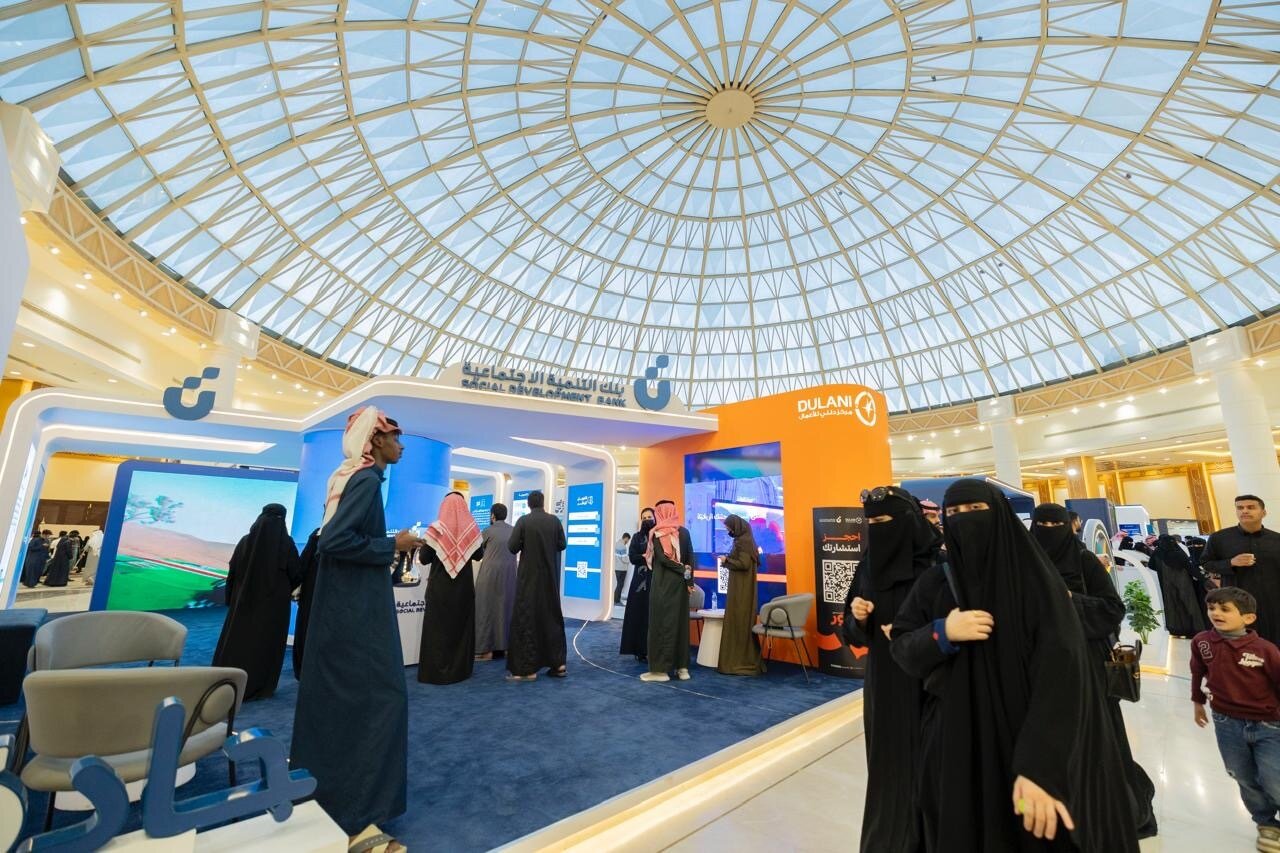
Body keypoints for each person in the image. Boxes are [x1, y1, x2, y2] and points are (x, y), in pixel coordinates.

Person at [890, 479, 1139, 852]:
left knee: (1032, 832)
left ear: (999, 515)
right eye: (954, 512)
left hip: (1026, 740)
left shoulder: (1038, 584)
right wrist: (942, 633)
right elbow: (903, 647)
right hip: (957, 741)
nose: (964, 519)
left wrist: (1040, 767)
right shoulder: (936, 583)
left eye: (975, 510)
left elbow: (1062, 676)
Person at [290, 407, 420, 852]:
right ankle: (358, 821)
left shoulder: (348, 477)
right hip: (357, 611)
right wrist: (393, 544)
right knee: (378, 702)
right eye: (396, 437)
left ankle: (326, 798)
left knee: (343, 704)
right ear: (376, 441)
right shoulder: (365, 480)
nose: (401, 446)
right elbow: (335, 541)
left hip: (341, 606)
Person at [1031, 503, 1157, 839]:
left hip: (1086, 663)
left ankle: (1105, 806)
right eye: (1041, 525)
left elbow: (1113, 609)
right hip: (1040, 664)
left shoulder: (1084, 560)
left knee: (1096, 734)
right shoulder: (1025, 562)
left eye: (1055, 525)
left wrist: (1069, 598)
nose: (1048, 531)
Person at [845, 486, 941, 851]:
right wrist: (858, 619)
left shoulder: (936, 565)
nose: (877, 529)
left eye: (883, 521)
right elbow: (852, 632)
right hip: (883, 682)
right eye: (870, 523)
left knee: (929, 768)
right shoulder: (869, 565)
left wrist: (915, 638)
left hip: (928, 684)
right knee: (887, 769)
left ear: (906, 522)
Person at [1192, 587, 1280, 853]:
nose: (1215, 613)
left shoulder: (1265, 650)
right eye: (1212, 608)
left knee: (1273, 777)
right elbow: (1198, 671)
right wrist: (1198, 702)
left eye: (1225, 609)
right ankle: (1266, 823)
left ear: (1248, 618)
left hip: (1268, 724)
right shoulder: (1202, 642)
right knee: (1241, 774)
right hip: (1226, 723)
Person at [212, 503, 302, 701]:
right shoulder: (286, 544)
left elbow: (233, 571)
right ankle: (259, 685)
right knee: (266, 644)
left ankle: (226, 682)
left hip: (243, 602)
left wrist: (231, 598)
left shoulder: (245, 541)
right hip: (273, 608)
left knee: (237, 640)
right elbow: (296, 573)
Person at [418, 492, 484, 685]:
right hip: (463, 590)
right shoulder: (471, 529)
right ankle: (459, 671)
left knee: (437, 630)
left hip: (440, 589)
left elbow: (424, 558)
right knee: (460, 629)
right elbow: (479, 555)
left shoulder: (436, 529)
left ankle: (436, 673)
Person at [506, 490, 568, 681]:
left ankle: (527, 669)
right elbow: (562, 544)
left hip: (529, 580)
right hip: (549, 579)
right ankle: (559, 664)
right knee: (551, 617)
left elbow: (512, 547)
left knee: (527, 619)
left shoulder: (523, 521)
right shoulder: (554, 521)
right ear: (543, 502)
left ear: (528, 504)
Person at [1202, 496, 1280, 644]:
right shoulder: (1219, 538)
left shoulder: (1276, 540)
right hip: (1235, 601)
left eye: (1251, 507)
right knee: (1239, 643)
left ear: (1263, 513)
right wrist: (1230, 562)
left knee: (1273, 640)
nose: (1244, 511)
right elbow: (1206, 563)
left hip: (1272, 601)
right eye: (1240, 508)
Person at [641, 500, 694, 683]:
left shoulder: (657, 533)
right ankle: (682, 668)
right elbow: (690, 558)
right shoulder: (684, 532)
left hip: (662, 586)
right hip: (680, 585)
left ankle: (660, 671)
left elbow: (663, 560)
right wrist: (688, 579)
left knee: (660, 625)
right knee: (680, 626)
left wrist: (681, 569)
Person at [717, 514, 764, 676]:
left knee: (738, 619)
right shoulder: (745, 540)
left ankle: (737, 661)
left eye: (729, 528)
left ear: (736, 527)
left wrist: (726, 561)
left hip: (741, 588)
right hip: (742, 586)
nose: (728, 530)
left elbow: (743, 564)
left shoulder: (743, 542)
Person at [475, 502, 518, 661]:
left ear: (492, 515)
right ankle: (506, 648)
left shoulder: (487, 531)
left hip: (489, 576)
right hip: (510, 576)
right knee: (507, 609)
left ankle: (486, 651)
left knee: (485, 610)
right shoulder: (514, 530)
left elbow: (478, 553)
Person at [1150, 533, 1209, 638]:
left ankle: (1177, 629)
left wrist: (1161, 570)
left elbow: (1151, 565)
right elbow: (1190, 568)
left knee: (1172, 605)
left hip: (1166, 583)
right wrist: (1204, 579)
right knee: (1189, 605)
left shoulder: (1157, 553)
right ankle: (1193, 629)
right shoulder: (1178, 553)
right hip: (1183, 583)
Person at [620, 508, 655, 662]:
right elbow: (632, 557)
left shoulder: (659, 536)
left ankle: (652, 649)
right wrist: (645, 556)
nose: (647, 520)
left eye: (649, 517)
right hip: (639, 582)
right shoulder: (636, 537)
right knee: (638, 614)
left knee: (652, 615)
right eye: (644, 517)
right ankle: (639, 650)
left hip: (655, 580)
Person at [291, 526, 321, 679]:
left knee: (305, 628)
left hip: (310, 592)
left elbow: (302, 564)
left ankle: (302, 669)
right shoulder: (345, 533)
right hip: (326, 593)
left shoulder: (316, 534)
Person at [614, 532, 631, 605]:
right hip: (622, 568)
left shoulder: (616, 544)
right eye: (628, 540)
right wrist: (629, 559)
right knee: (620, 585)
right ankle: (617, 601)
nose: (628, 541)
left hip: (616, 567)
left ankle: (615, 599)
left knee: (618, 584)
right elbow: (624, 559)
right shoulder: (623, 546)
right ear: (626, 538)